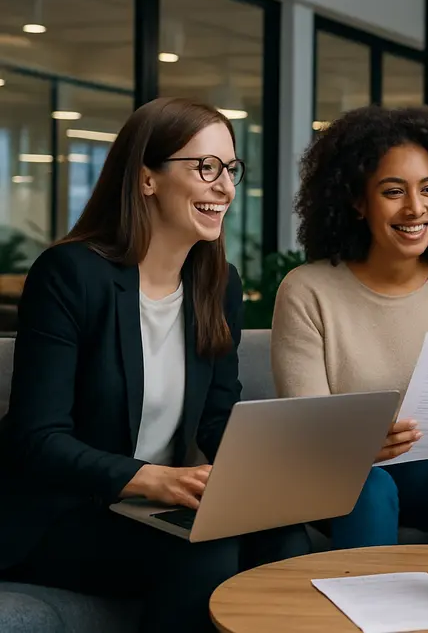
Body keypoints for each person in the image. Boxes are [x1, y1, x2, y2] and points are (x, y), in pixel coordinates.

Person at [0, 97, 311, 633]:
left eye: (231, 169)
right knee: (203, 552)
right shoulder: (69, 274)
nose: (225, 187)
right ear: (147, 178)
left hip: (150, 507)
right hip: (63, 511)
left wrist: (276, 468)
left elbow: (215, 419)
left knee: (285, 536)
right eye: (205, 167)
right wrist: (149, 479)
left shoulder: (218, 284)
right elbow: (37, 438)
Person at [271, 104, 428, 548]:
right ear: (357, 201)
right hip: (341, 474)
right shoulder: (307, 290)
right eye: (392, 191)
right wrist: (359, 443)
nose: (415, 208)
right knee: (371, 487)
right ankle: (371, 614)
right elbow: (307, 431)